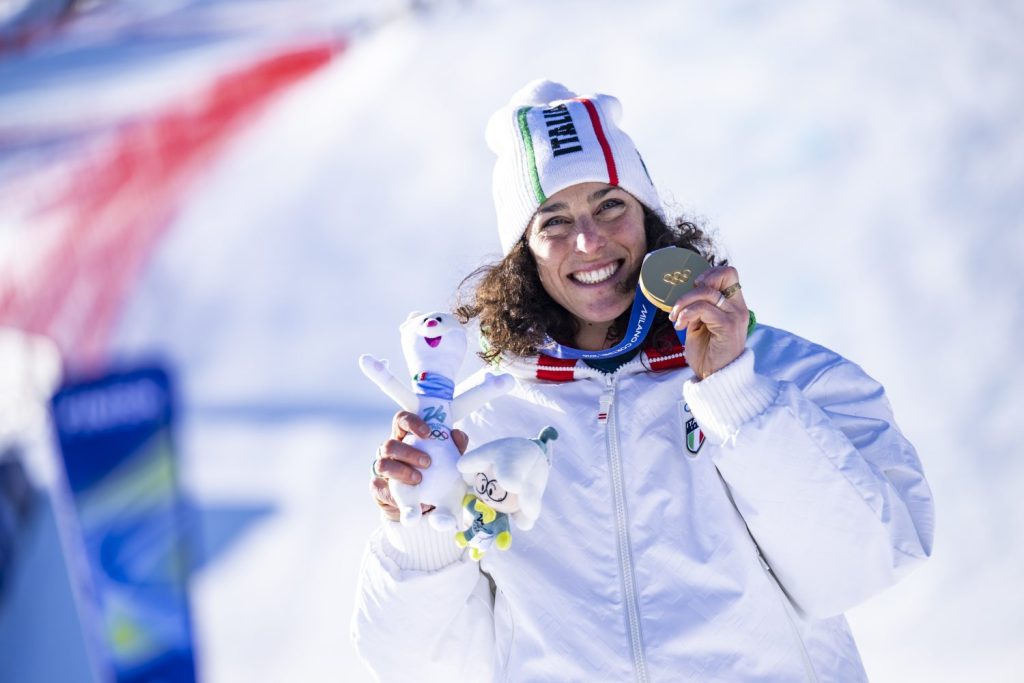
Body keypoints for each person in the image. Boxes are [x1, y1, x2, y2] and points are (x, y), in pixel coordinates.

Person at [351, 80, 934, 682]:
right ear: (524, 253)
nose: (588, 241)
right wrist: (421, 528)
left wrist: (736, 394)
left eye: (610, 205)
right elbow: (420, 666)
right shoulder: (486, 418)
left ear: (649, 218)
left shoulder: (784, 372)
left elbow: (862, 566)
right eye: (554, 222)